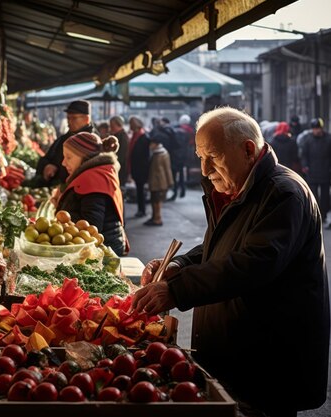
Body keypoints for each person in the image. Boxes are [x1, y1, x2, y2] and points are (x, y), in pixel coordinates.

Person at [132, 107, 330, 417]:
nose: (204, 168)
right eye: (199, 156)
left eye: (212, 156)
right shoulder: (240, 187)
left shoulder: (283, 193)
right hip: (238, 354)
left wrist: (176, 290)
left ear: (248, 150)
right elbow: (221, 245)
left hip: (268, 362)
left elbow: (253, 263)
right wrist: (179, 265)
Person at [56, 132, 128, 256]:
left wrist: (62, 220)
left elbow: (91, 227)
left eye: (69, 157)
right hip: (107, 246)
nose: (63, 163)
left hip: (103, 253)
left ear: (85, 156)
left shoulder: (93, 179)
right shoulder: (98, 173)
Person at [34, 100, 95, 187]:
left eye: (74, 118)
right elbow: (47, 157)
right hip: (56, 190)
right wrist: (47, 166)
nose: (69, 122)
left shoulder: (93, 142)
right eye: (68, 118)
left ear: (86, 119)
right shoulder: (63, 139)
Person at [299, 117, 331, 223]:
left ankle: (324, 214)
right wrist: (305, 166)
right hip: (312, 172)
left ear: (321, 128)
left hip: (326, 172)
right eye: (315, 128)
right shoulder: (308, 139)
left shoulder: (328, 139)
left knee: (325, 196)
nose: (317, 130)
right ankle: (315, 214)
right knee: (313, 195)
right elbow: (304, 155)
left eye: (318, 128)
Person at [144, 135, 173, 226]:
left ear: (156, 144)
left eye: (151, 144)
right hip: (154, 181)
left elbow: (167, 168)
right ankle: (154, 217)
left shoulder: (163, 153)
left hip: (160, 182)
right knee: (153, 200)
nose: (150, 146)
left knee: (157, 201)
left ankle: (158, 218)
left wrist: (170, 182)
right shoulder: (155, 153)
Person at [128, 116, 150, 218]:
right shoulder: (136, 136)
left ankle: (142, 210)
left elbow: (144, 156)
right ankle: (141, 209)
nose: (130, 126)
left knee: (141, 190)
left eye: (131, 124)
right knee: (139, 190)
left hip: (141, 168)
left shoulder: (143, 137)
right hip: (137, 167)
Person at [109, 115, 130, 191]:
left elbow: (122, 154)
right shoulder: (117, 135)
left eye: (112, 125)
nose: (111, 127)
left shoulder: (122, 136)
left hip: (120, 167)